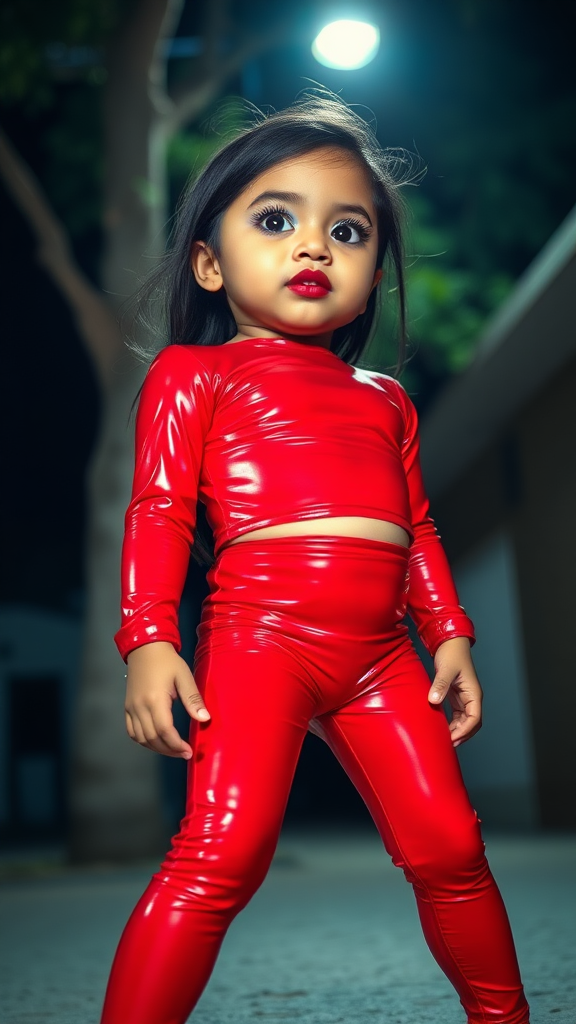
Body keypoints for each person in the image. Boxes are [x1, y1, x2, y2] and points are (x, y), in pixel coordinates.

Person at [100, 95, 530, 1024]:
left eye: (347, 230)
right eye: (275, 219)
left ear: (374, 273)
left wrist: (448, 634)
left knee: (452, 850)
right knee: (220, 853)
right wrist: (147, 638)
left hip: (383, 658)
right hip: (260, 640)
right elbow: (161, 509)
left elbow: (415, 530)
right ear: (209, 264)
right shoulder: (193, 373)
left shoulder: (385, 400)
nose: (313, 247)